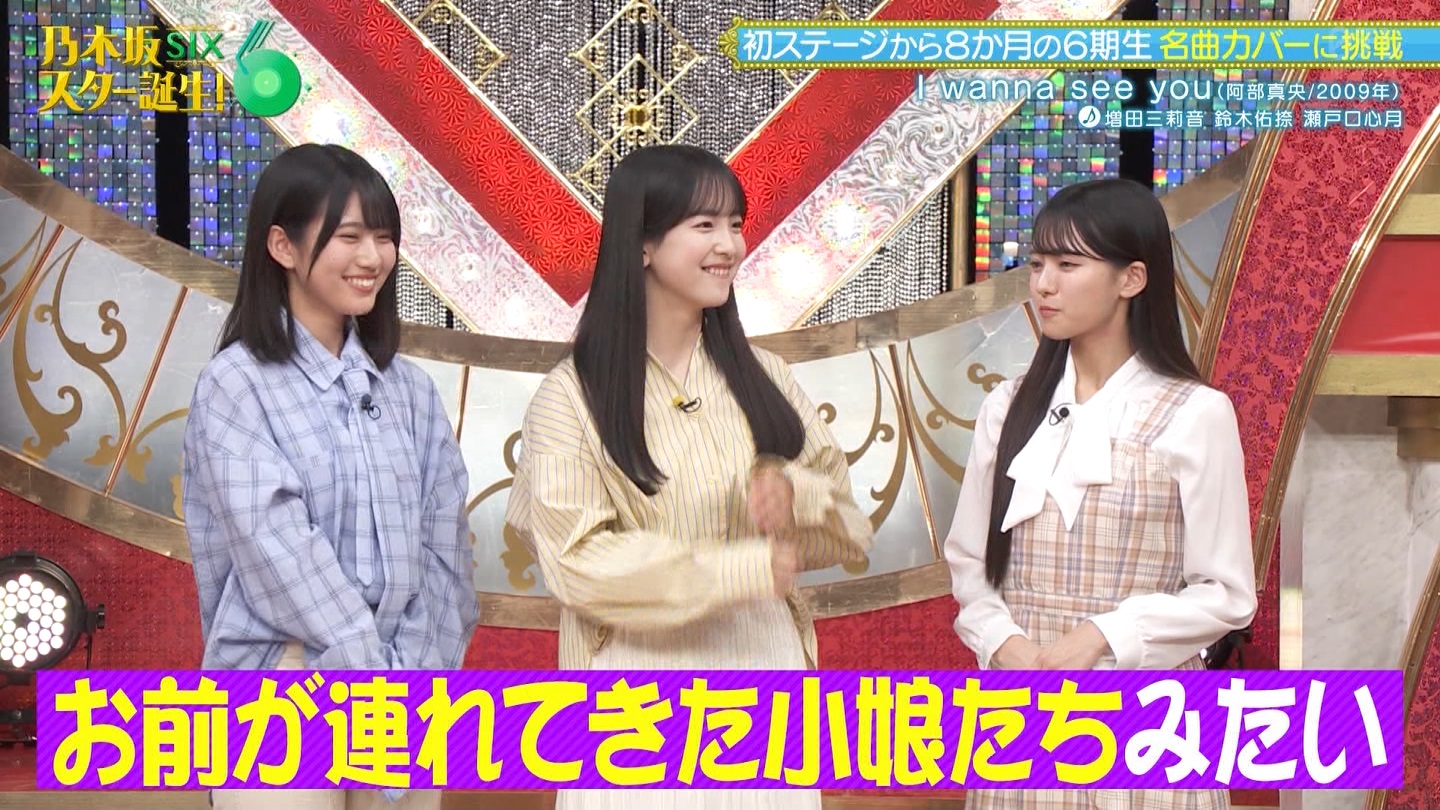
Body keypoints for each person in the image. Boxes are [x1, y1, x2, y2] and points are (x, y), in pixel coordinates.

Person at [504, 144, 875, 810]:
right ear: (642, 244)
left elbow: (849, 531)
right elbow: (578, 565)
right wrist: (737, 569)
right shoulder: (570, 396)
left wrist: (798, 501)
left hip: (765, 679)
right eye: (704, 225)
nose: (729, 245)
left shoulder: (766, 376)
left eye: (735, 224)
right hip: (634, 698)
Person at [182, 143, 479, 810]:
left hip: (408, 681)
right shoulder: (236, 384)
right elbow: (277, 552)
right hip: (279, 684)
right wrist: (372, 682)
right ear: (282, 247)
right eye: (349, 236)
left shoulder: (411, 390)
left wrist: (416, 676)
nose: (373, 257)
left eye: (384, 237)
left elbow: (446, 554)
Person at [945, 178, 1258, 810]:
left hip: (1150, 726)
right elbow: (970, 563)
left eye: (1068, 265)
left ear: (1132, 278)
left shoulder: (1195, 412)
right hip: (1019, 723)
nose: (1043, 285)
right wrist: (1004, 644)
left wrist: (1102, 635)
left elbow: (1227, 594)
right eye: (1037, 264)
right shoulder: (1008, 407)